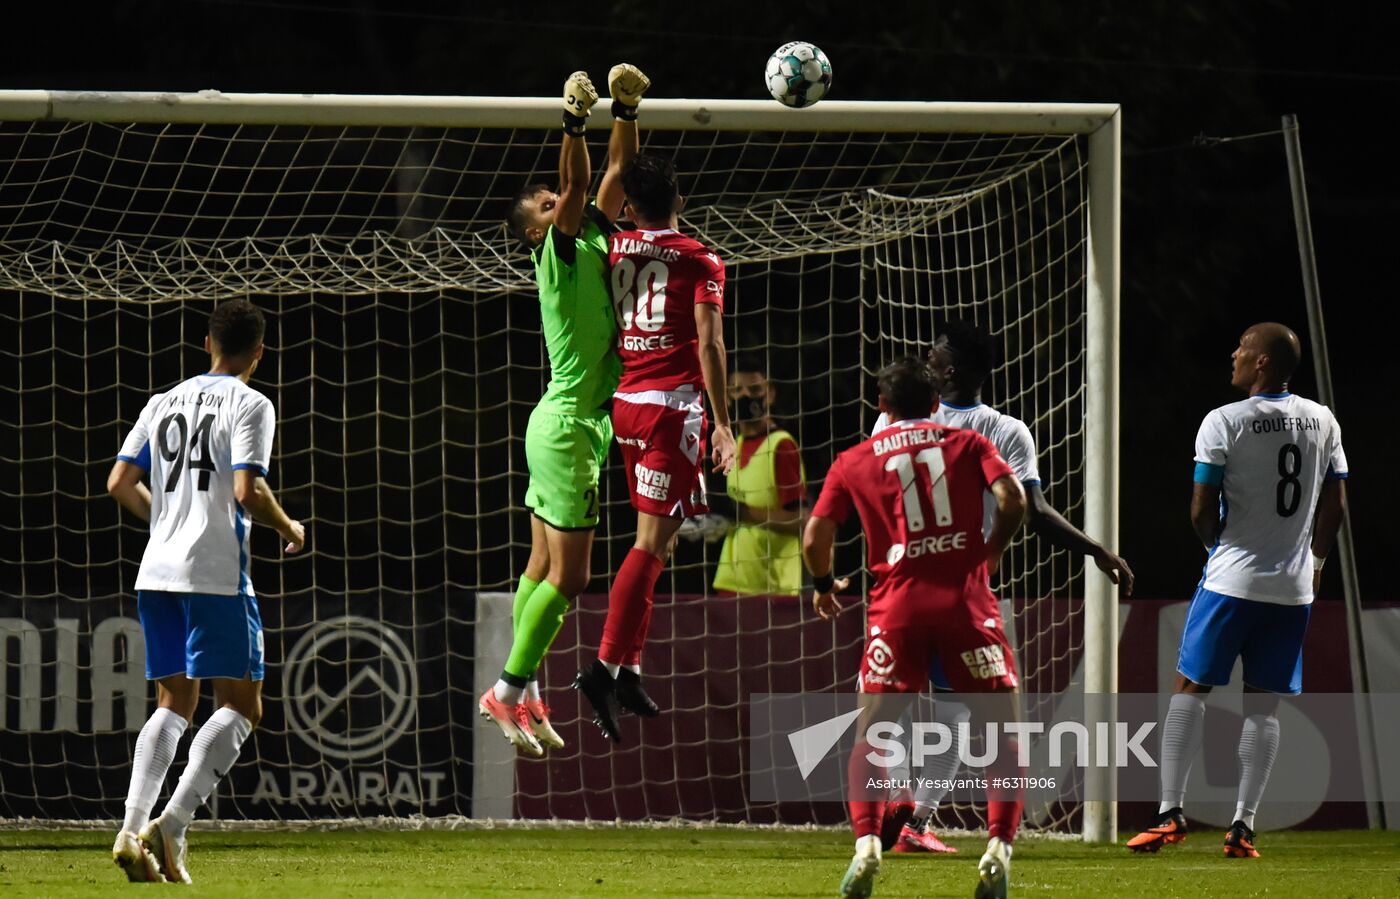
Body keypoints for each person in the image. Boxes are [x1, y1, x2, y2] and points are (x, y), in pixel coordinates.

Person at [871, 320, 1135, 854]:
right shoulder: (1007, 432)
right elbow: (1031, 511)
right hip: (964, 591)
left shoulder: (895, 418)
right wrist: (1098, 551)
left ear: (954, 370)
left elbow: (877, 490)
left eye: (934, 353)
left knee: (886, 704)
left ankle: (901, 799)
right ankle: (919, 821)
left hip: (900, 586)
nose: (926, 359)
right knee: (962, 714)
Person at [804, 357, 1027, 899]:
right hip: (966, 603)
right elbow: (1014, 500)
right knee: (1002, 731)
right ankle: (997, 848)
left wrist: (826, 583)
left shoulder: (854, 459)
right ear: (935, 404)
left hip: (896, 609)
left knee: (873, 734)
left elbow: (814, 538)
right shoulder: (969, 443)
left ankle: (866, 847)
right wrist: (989, 553)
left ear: (881, 406)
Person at [1127, 322, 1347, 858]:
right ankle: (1243, 827)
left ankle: (1169, 814)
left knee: (1189, 689)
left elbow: (1201, 508)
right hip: (1293, 590)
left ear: (1263, 363)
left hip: (1231, 580)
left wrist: (1215, 554)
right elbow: (1335, 506)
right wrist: (1315, 563)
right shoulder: (1322, 419)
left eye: (1244, 348)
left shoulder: (1224, 422)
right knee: (1263, 707)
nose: (1234, 354)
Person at [106, 298, 305, 884]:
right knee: (243, 706)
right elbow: (248, 491)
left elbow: (119, 481)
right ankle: (171, 827)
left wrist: (167, 523)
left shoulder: (161, 400)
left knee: (174, 704)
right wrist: (290, 526)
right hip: (216, 576)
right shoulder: (252, 403)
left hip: (156, 572)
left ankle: (128, 829)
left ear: (207, 343)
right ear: (259, 353)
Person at [481, 64, 649, 757]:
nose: (560, 205)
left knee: (540, 566)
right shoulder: (557, 251)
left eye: (555, 201)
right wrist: (572, 122)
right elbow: (582, 181)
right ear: (535, 233)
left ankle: (529, 692)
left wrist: (627, 110)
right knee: (573, 577)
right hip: (570, 425)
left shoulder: (590, 240)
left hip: (562, 422)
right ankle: (507, 688)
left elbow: (615, 174)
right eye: (546, 206)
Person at [573, 153, 738, 743]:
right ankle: (602, 668)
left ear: (630, 205)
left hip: (627, 405)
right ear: (682, 199)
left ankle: (629, 667)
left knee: (660, 542)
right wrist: (723, 423)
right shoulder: (699, 258)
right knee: (649, 545)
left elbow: (609, 190)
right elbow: (711, 346)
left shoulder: (611, 247)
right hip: (672, 410)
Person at [709, 357, 807, 596]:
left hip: (770, 588)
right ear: (726, 398)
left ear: (770, 394)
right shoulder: (735, 445)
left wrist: (741, 512)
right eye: (736, 390)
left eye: (754, 389)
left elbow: (802, 522)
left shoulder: (781, 446)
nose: (744, 396)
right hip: (731, 582)